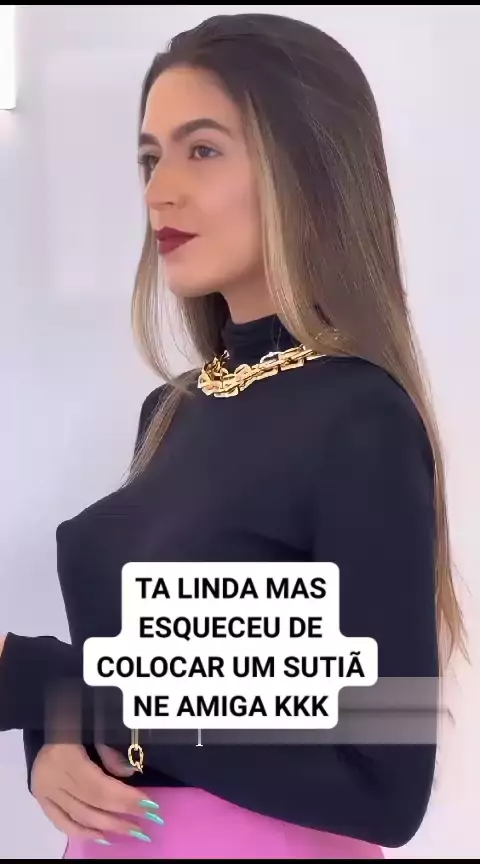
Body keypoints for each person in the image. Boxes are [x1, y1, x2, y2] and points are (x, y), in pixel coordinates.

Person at [2, 11, 465, 860]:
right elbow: (175, 683)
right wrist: (56, 737)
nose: (159, 192)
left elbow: (383, 785)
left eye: (203, 150)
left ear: (309, 169)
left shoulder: (358, 417)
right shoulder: (171, 413)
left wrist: (52, 684)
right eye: (151, 158)